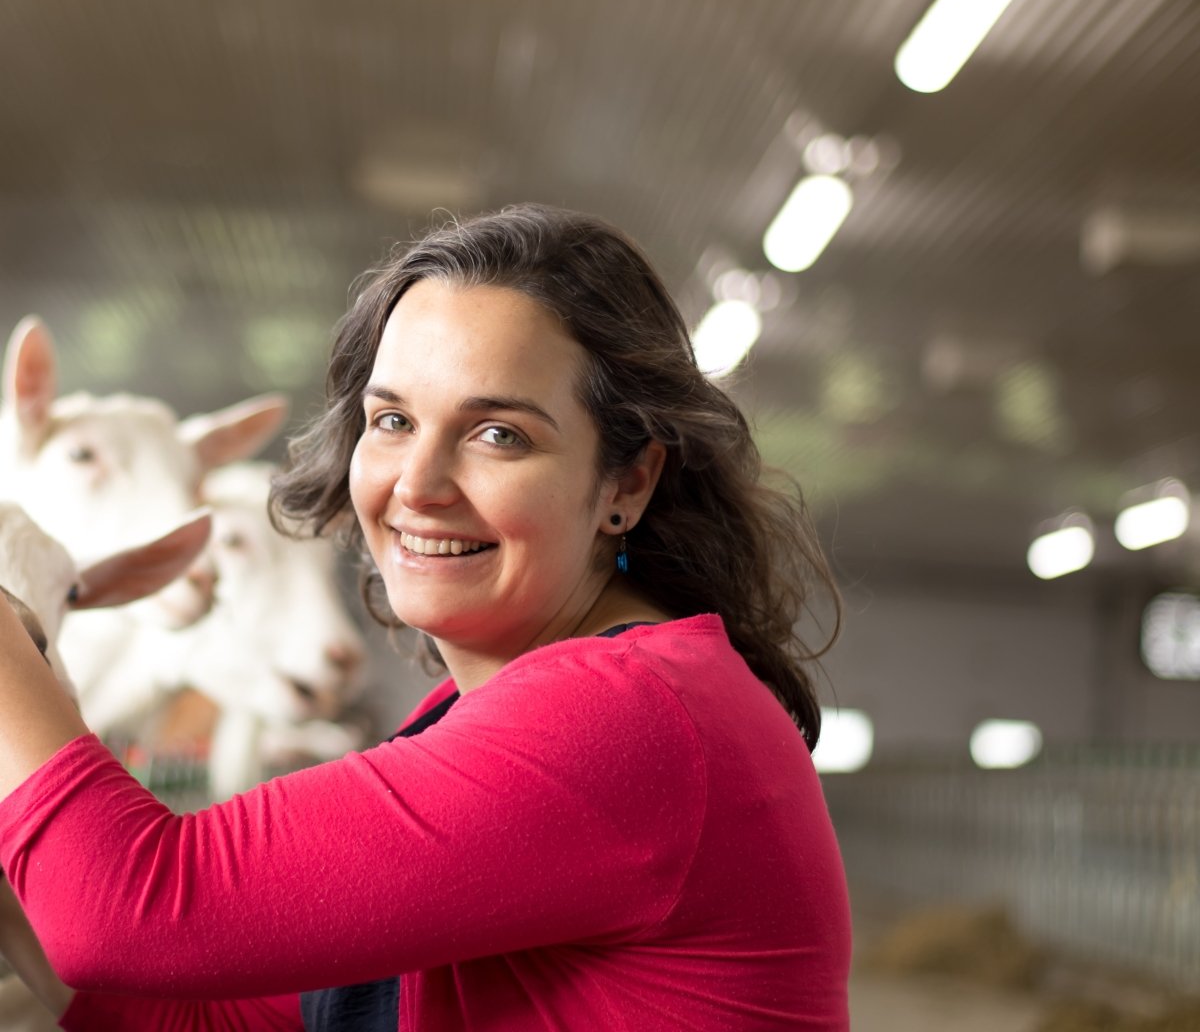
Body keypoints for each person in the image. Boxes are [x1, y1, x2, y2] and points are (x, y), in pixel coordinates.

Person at [0, 204, 852, 1031]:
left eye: (499, 435)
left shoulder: (627, 716)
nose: (417, 484)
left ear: (627, 483)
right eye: (394, 420)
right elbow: (205, 1018)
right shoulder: (485, 720)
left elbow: (132, 911)